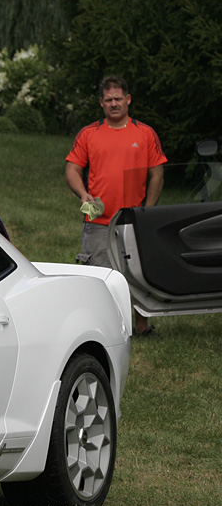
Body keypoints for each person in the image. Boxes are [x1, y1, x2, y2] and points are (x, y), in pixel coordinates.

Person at [65, 75, 167, 336]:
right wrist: (83, 194)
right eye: (108, 100)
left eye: (118, 99)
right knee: (100, 277)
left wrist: (149, 210)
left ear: (128, 99)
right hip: (98, 220)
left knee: (139, 273)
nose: (114, 104)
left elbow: (157, 173)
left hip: (134, 218)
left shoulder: (144, 134)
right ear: (101, 103)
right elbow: (72, 169)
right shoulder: (89, 134)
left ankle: (142, 326)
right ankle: (108, 328)